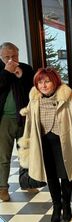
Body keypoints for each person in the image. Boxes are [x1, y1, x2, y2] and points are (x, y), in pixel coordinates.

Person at [17, 68, 72, 222]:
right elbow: (30, 125)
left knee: (66, 174)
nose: (43, 85)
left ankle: (66, 205)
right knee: (50, 175)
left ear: (55, 82)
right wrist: (28, 144)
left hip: (63, 144)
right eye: (40, 82)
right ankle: (56, 206)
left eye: (47, 81)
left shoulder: (69, 98)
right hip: (44, 144)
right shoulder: (34, 100)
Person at [0, 42, 34, 201]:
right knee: (3, 156)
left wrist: (21, 76)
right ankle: (2, 188)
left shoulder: (26, 69)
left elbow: (33, 92)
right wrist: (7, 72)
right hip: (4, 120)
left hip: (24, 117)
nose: (11, 59)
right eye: (7, 57)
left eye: (14, 56)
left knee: (25, 152)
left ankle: (27, 182)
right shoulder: (2, 70)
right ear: (1, 56)